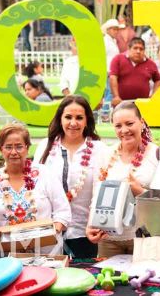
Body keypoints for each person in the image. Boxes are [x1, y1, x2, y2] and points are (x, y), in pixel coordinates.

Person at [0, 124, 71, 255]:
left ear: (27, 148)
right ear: (0, 149)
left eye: (19, 146)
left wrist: (53, 232)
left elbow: (62, 211)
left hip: (46, 252)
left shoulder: (44, 174)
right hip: (7, 254)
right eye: (8, 147)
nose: (13, 152)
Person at [33, 95, 106, 258]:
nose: (73, 123)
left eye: (79, 117)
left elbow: (100, 190)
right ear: (60, 119)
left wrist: (94, 224)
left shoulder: (98, 149)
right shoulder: (46, 146)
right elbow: (36, 188)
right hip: (50, 232)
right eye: (68, 117)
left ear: (87, 120)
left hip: (85, 232)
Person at [86, 101, 159, 257]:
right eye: (118, 126)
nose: (124, 130)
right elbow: (96, 194)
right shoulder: (106, 154)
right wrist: (90, 225)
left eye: (129, 123)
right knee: (108, 280)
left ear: (142, 122)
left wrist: (140, 191)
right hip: (108, 238)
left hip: (144, 238)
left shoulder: (158, 155)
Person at [109, 37, 160, 107]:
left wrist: (153, 96)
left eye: (141, 49)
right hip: (121, 104)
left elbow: (158, 80)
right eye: (135, 48)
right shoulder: (118, 59)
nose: (138, 51)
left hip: (143, 105)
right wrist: (116, 96)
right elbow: (112, 77)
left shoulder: (151, 64)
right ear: (129, 49)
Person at [102, 18, 122, 103]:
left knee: (111, 93)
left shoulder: (113, 41)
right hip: (108, 72)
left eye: (117, 29)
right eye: (114, 29)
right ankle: (106, 114)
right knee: (109, 94)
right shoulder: (104, 41)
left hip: (113, 72)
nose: (116, 31)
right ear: (108, 30)